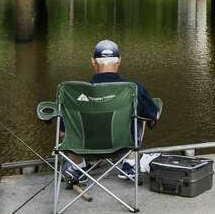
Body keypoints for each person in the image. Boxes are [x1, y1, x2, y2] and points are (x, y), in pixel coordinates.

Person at [60, 39, 161, 184]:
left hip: (84, 148)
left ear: (93, 62)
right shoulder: (133, 88)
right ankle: (130, 163)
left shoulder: (74, 93)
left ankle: (78, 165)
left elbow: (63, 133)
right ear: (119, 61)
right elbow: (153, 116)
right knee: (141, 114)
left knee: (66, 129)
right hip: (121, 146)